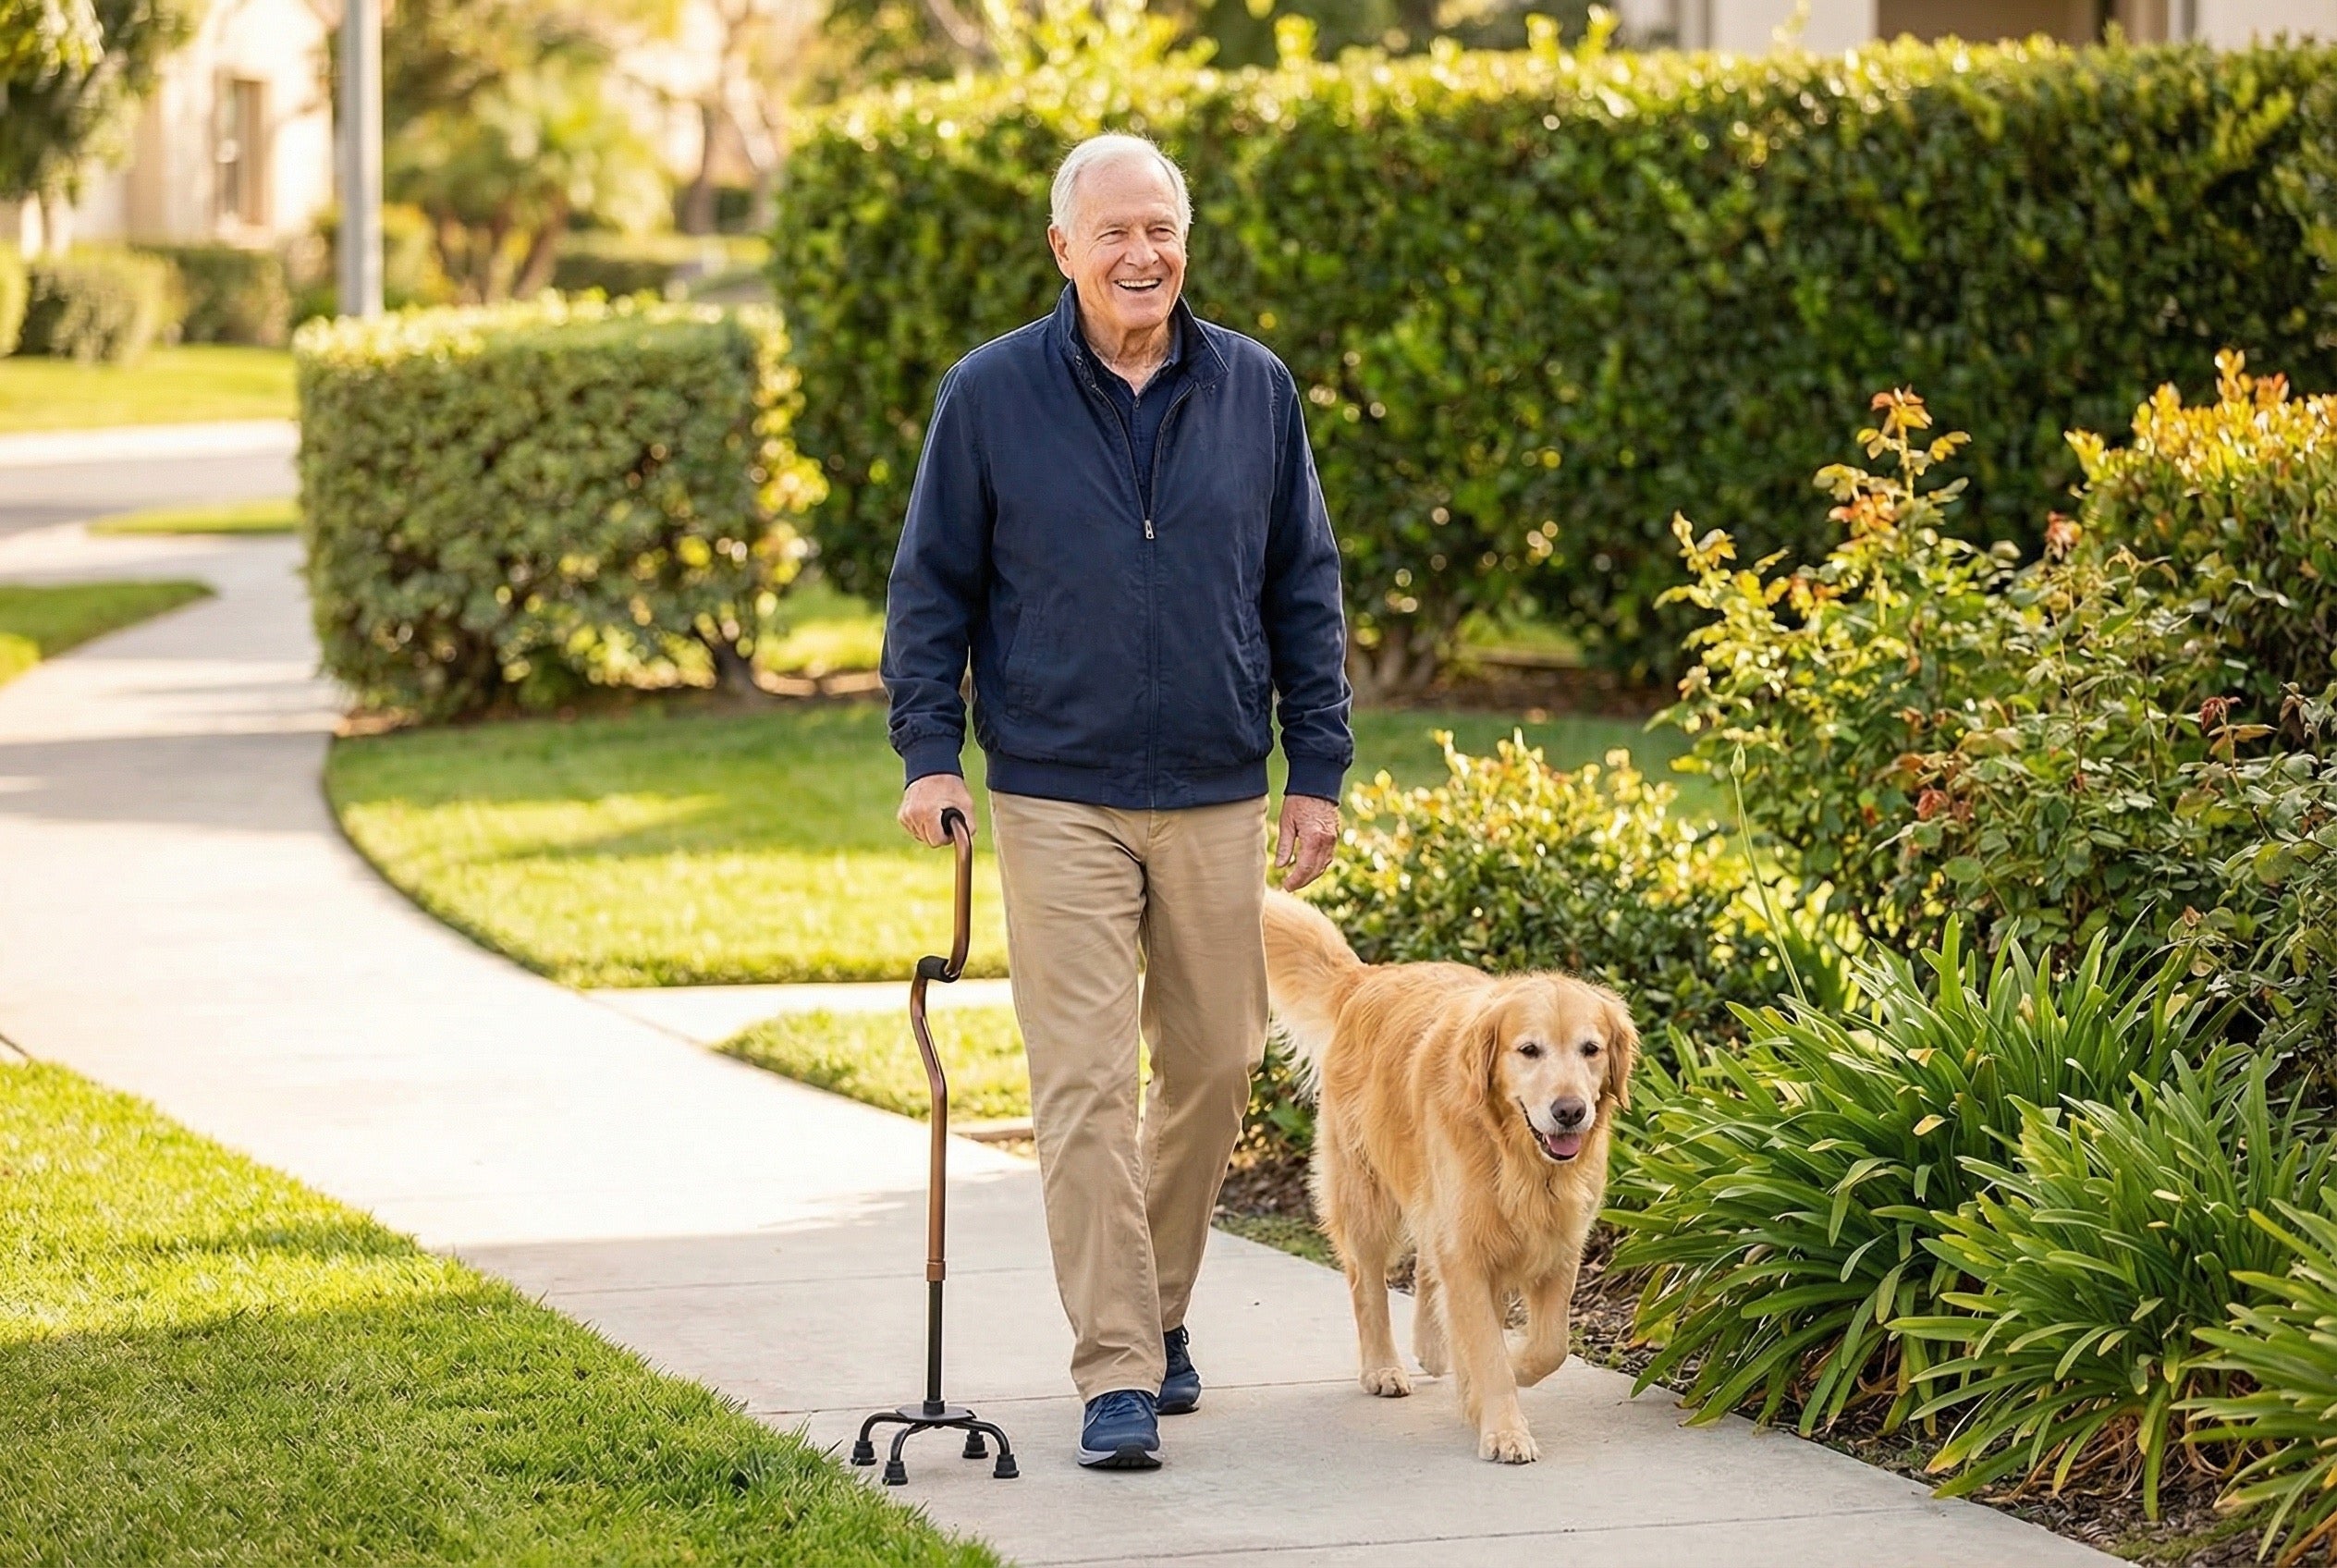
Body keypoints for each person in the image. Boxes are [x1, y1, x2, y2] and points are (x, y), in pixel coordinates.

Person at [882, 131, 1353, 1471]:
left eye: (1162, 229)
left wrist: (1314, 769)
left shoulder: (1254, 388)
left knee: (1212, 1066)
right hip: (1055, 791)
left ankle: (1155, 1311)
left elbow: (1301, 585)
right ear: (1063, 250)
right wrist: (929, 755)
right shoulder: (988, 398)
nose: (1142, 254)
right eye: (1114, 233)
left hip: (1212, 787)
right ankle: (1117, 1373)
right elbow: (933, 594)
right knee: (1083, 1082)